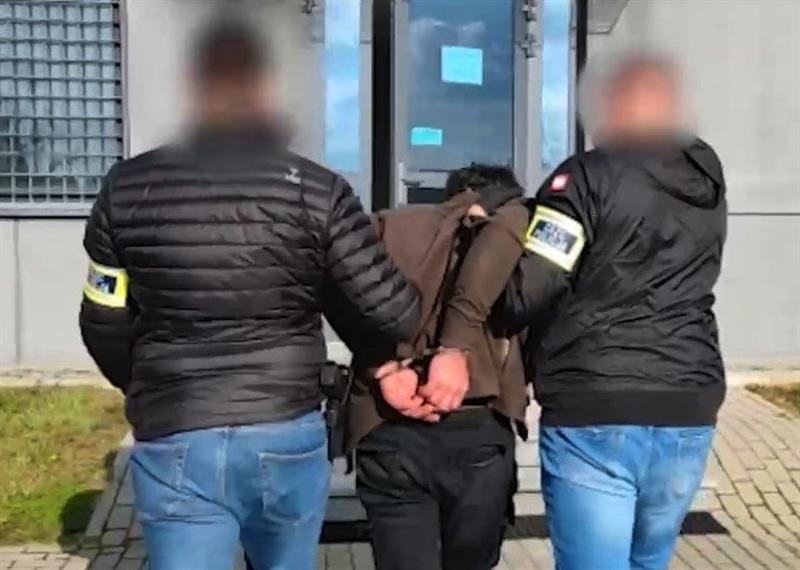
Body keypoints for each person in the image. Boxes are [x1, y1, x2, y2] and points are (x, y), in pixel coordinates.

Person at [78, 18, 419, 570]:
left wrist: (151, 384)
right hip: (284, 427)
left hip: (175, 428)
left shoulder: (126, 188)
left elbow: (102, 317)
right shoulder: (318, 190)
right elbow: (391, 313)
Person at [439, 52, 727, 570]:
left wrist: (493, 235)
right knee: (648, 561)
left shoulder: (583, 180)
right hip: (689, 403)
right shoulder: (706, 182)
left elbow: (529, 291)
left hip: (597, 403)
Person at [326, 165, 532, 570]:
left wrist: (383, 367)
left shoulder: (387, 227)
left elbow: (333, 282)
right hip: (478, 426)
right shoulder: (513, 232)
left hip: (386, 426)